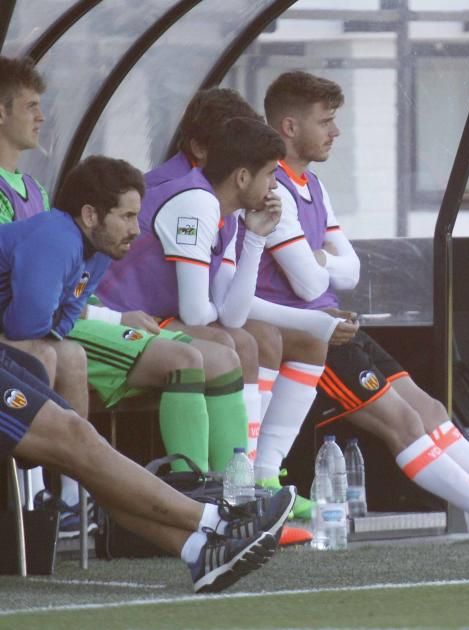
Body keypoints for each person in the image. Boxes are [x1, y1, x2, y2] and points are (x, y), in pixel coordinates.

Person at [252, 70, 469, 543]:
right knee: (404, 422)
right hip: (310, 332)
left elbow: (350, 270)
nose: (335, 132)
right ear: (290, 127)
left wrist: (320, 262)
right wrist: (322, 263)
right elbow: (307, 278)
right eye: (325, 121)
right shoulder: (272, 188)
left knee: (431, 408)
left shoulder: (312, 184)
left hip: (338, 321)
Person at [0, 156, 295, 592]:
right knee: (77, 437)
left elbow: (59, 324)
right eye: (127, 216)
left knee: (82, 444)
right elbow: (29, 330)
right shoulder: (55, 236)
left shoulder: (95, 251)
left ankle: (199, 552)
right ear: (89, 215)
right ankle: (216, 519)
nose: (137, 229)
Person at [0, 55, 250, 504]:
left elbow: (66, 287)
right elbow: (30, 301)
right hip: (22, 329)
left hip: (52, 321)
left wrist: (107, 317)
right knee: (172, 358)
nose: (42, 116)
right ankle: (179, 498)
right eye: (31, 105)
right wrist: (110, 321)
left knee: (229, 351)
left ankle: (234, 490)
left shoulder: (34, 191)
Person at [96, 114, 330, 522]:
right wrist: (222, 313)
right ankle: (218, 490)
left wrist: (256, 237)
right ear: (242, 176)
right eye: (271, 174)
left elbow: (230, 311)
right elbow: (197, 311)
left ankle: (243, 486)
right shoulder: (197, 203)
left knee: (241, 339)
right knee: (226, 344)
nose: (276, 185)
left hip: (158, 318)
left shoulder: (229, 213)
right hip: (122, 319)